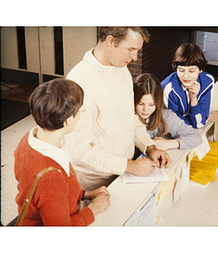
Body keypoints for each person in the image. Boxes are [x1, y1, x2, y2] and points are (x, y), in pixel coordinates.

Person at [64, 27, 171, 193]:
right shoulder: (77, 82)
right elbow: (80, 152)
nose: (135, 57)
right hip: (94, 179)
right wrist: (130, 166)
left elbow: (130, 117)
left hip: (124, 170)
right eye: (131, 49)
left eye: (137, 51)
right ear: (110, 41)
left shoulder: (121, 69)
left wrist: (150, 147)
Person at [14, 79, 111, 226]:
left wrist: (86, 194)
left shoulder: (28, 139)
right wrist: (93, 209)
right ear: (68, 121)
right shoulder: (50, 178)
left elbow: (50, 194)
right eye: (79, 112)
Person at [161, 43, 218, 129]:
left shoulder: (208, 81)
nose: (186, 76)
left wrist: (193, 98)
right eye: (181, 70)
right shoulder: (168, 88)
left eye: (191, 71)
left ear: (200, 70)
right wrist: (206, 117)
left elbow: (198, 123)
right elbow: (172, 125)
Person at [133, 73, 202, 152]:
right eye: (141, 104)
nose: (146, 109)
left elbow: (196, 137)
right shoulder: (124, 117)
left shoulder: (165, 115)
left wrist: (169, 144)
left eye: (152, 104)